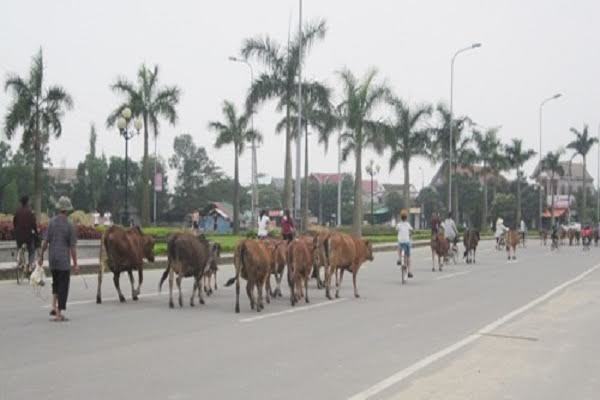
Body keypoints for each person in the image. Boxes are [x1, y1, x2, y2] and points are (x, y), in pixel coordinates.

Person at [39, 196, 78, 322]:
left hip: (53, 259)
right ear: (67, 210)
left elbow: (45, 242)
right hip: (63, 261)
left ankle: (53, 306)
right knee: (63, 286)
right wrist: (75, 264)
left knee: (55, 283)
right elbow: (72, 247)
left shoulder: (51, 222)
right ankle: (58, 314)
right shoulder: (70, 225)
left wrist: (40, 257)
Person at [13, 195, 38, 274]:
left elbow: (14, 223)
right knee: (32, 249)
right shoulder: (30, 212)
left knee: (19, 246)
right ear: (27, 202)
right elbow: (34, 224)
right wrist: (36, 232)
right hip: (28, 236)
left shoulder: (17, 211)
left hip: (18, 236)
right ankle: (30, 265)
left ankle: (19, 259)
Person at [396, 209, 414, 278]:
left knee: (398, 245)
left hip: (401, 243)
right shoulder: (408, 224)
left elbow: (396, 229)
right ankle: (409, 271)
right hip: (407, 242)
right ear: (406, 217)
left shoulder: (399, 225)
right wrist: (411, 233)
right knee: (408, 257)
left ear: (401, 217)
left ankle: (399, 259)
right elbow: (411, 230)